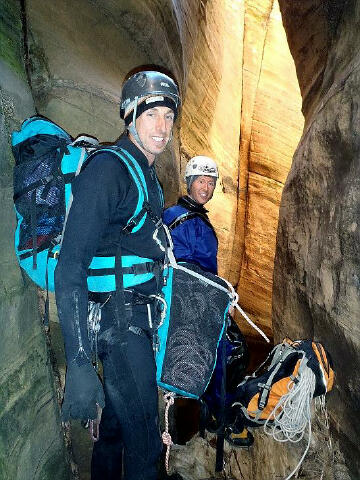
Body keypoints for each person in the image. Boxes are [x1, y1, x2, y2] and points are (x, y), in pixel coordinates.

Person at [54, 69, 181, 480]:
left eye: (168, 117)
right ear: (130, 115)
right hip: (119, 326)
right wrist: (77, 362)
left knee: (113, 433)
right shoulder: (109, 170)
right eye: (152, 115)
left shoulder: (145, 173)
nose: (162, 127)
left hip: (135, 321)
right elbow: (70, 265)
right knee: (145, 448)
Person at [163, 156, 252, 448]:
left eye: (211, 182)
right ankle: (223, 416)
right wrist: (213, 293)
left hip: (202, 298)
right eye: (201, 181)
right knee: (228, 353)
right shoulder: (180, 217)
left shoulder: (192, 215)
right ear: (189, 183)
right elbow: (184, 264)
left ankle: (213, 413)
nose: (206, 187)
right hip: (193, 301)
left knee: (227, 352)